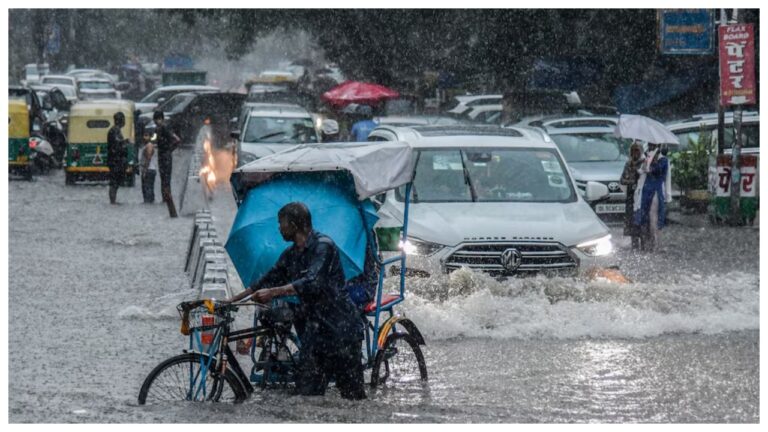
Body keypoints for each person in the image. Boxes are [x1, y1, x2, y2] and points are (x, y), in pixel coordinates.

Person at [224, 202, 366, 399]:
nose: (279, 228)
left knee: (353, 400)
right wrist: (232, 301)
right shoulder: (291, 254)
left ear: (293, 224)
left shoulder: (324, 246)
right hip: (315, 335)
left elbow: (312, 281)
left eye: (281, 223)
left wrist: (272, 293)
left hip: (340, 330)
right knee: (307, 398)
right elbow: (266, 279)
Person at [633, 142, 669, 252]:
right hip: (645, 190)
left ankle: (655, 243)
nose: (650, 148)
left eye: (653, 146)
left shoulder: (663, 160)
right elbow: (641, 170)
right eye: (650, 145)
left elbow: (658, 172)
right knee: (644, 217)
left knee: (654, 218)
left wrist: (649, 165)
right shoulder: (645, 158)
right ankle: (646, 243)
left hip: (656, 191)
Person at [153, 111, 181, 218]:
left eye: (156, 119)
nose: (155, 122)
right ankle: (165, 200)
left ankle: (167, 199)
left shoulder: (165, 128)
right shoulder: (158, 129)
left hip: (165, 156)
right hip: (162, 156)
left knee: (165, 179)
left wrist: (169, 150)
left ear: (160, 119)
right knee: (163, 178)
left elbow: (177, 140)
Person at [620, 142, 644, 249]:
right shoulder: (628, 164)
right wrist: (631, 181)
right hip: (630, 195)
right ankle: (634, 244)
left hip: (640, 195)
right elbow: (622, 179)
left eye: (637, 151)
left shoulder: (643, 163)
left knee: (640, 219)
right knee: (631, 219)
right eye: (633, 151)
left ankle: (643, 242)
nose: (635, 153)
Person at [106, 112, 129, 205]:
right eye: (123, 119)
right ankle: (113, 201)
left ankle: (113, 201)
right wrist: (124, 143)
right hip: (115, 161)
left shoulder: (116, 130)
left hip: (116, 160)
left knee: (115, 182)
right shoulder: (114, 130)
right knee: (114, 182)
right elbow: (116, 144)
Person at [138, 131, 157, 203]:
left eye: (146, 135)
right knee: (148, 189)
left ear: (150, 137)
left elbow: (148, 157)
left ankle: (148, 204)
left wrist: (145, 170)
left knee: (147, 190)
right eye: (144, 135)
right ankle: (149, 206)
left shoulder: (149, 145)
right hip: (149, 169)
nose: (144, 137)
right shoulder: (146, 145)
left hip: (149, 170)